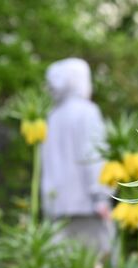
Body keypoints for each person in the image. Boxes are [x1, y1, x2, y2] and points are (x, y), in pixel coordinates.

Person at [41, 58, 113, 253]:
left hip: (57, 207)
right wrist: (101, 196)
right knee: (97, 267)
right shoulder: (87, 112)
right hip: (88, 206)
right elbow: (94, 156)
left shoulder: (52, 116)